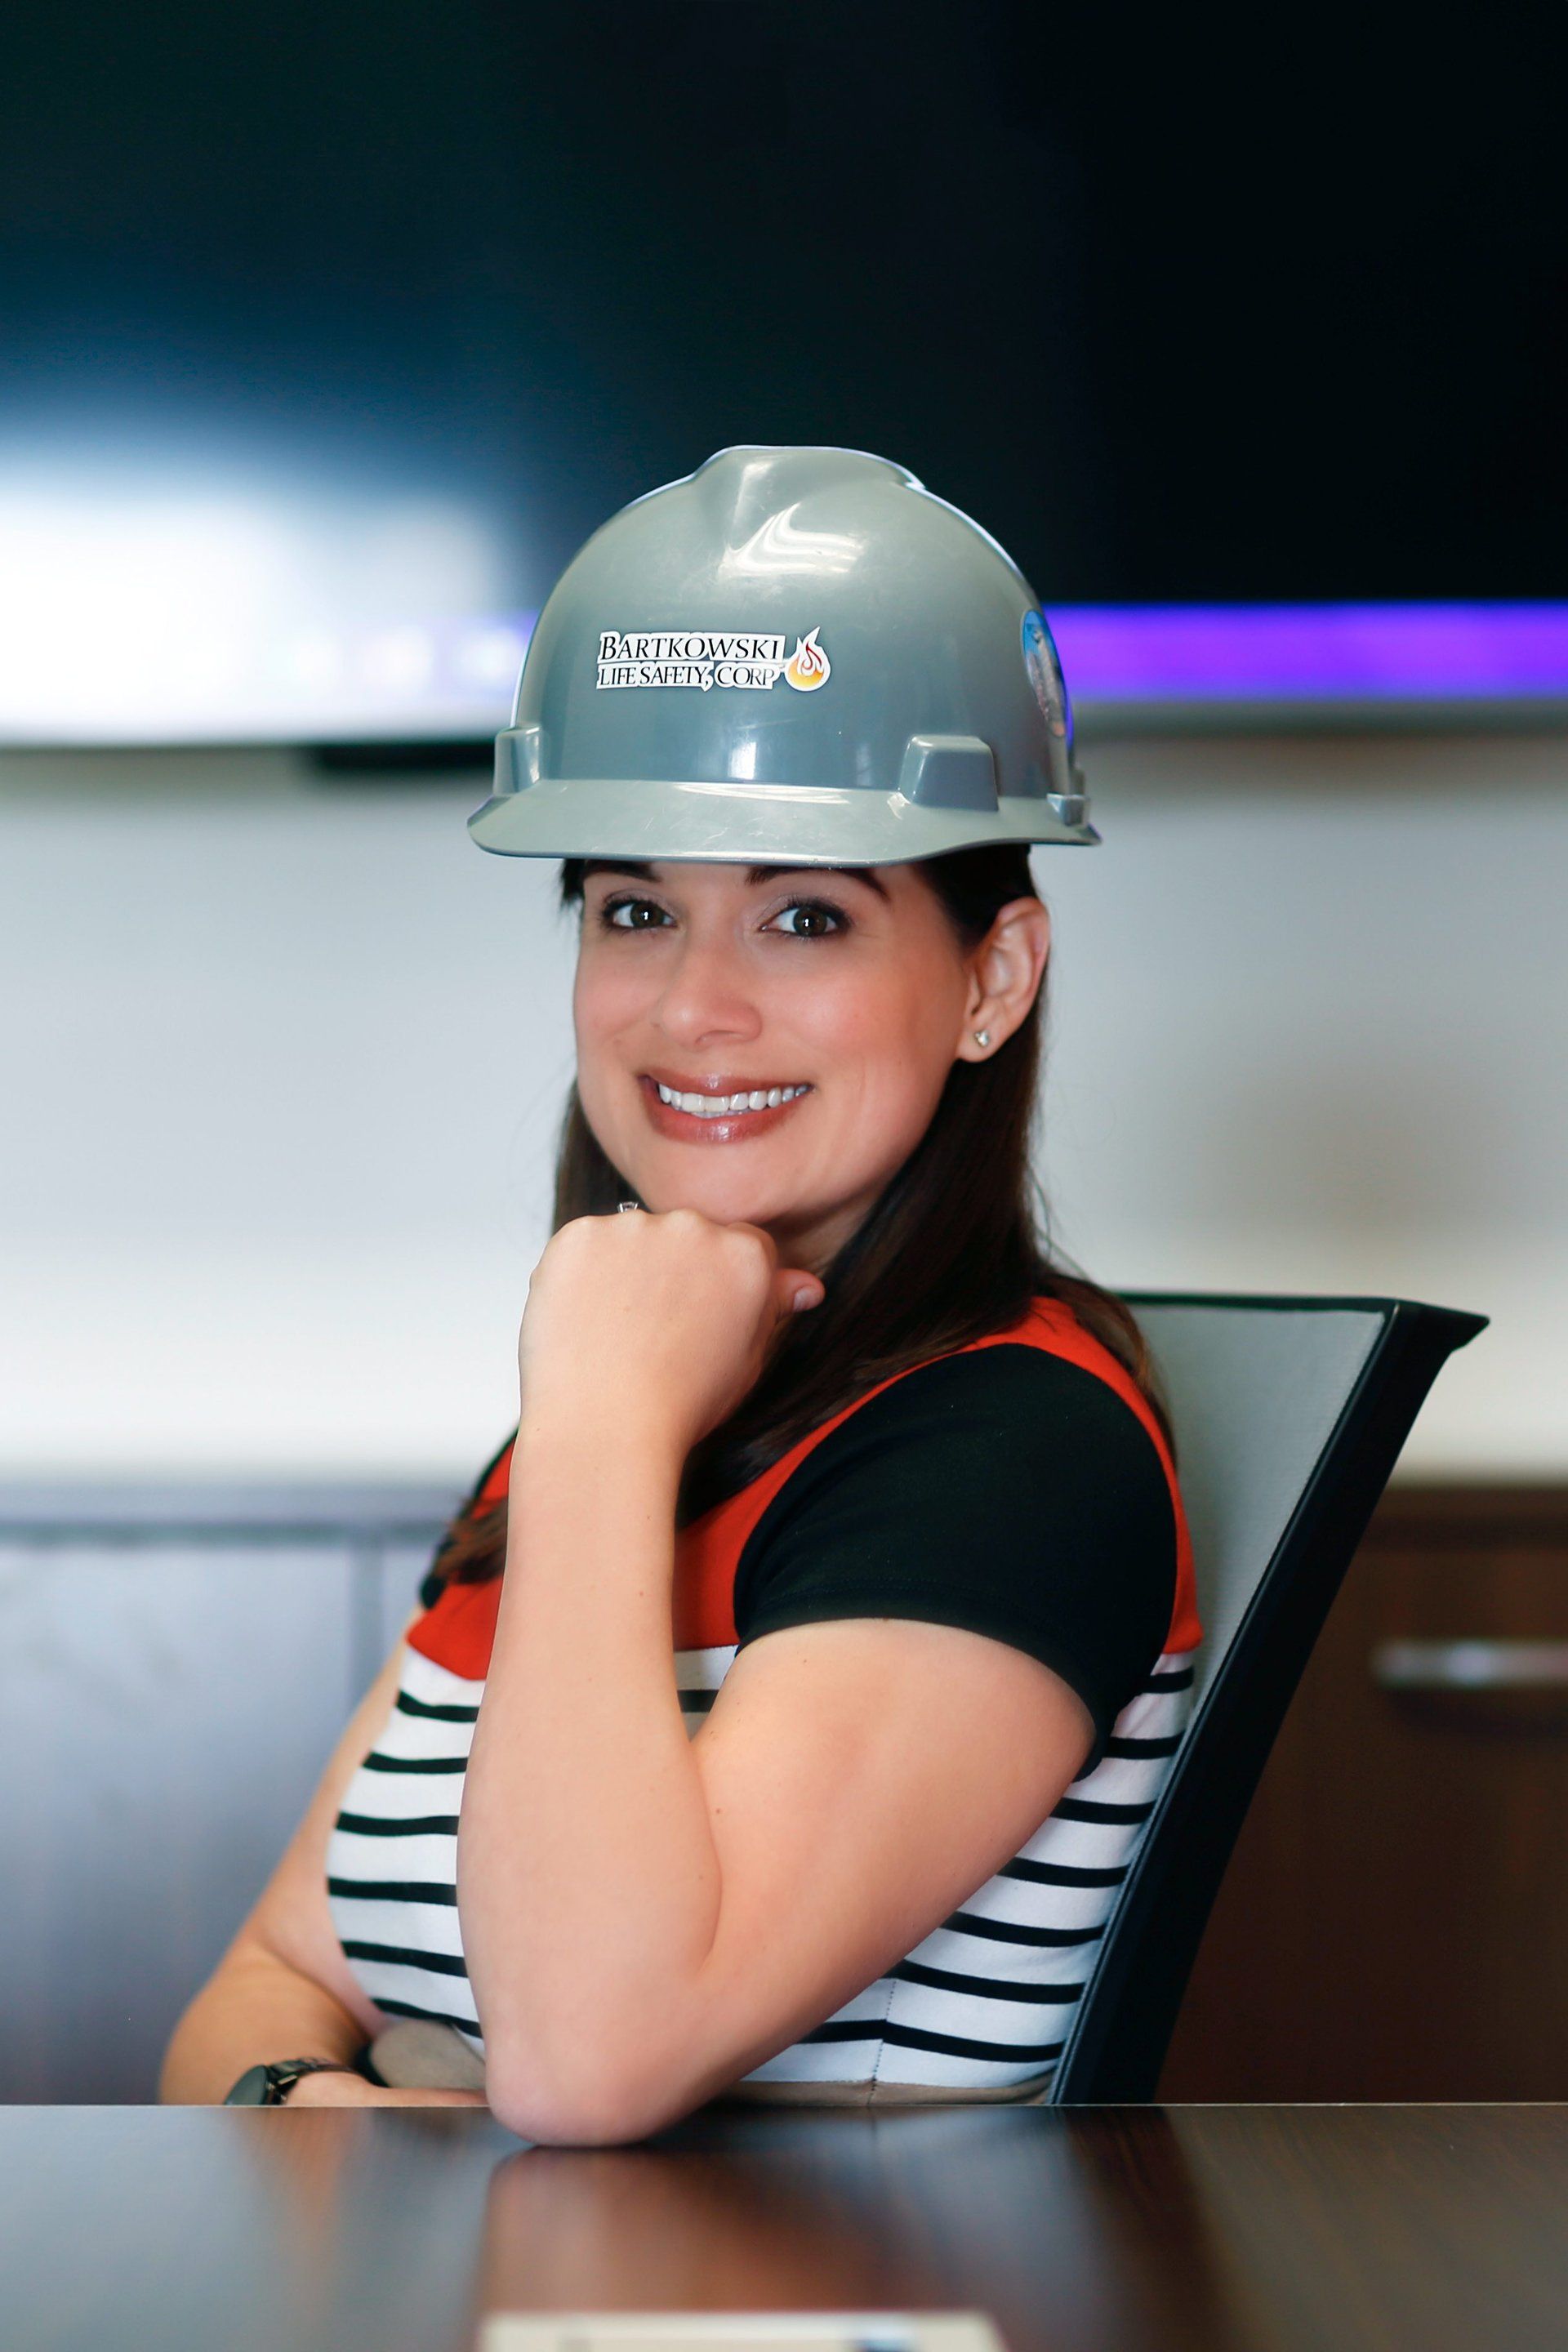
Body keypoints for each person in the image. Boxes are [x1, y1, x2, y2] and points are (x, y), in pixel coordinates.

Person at [160, 447, 1200, 2142]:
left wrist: (601, 1416)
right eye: (635, 907)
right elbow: (262, 1986)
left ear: (991, 978)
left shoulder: (1010, 1453)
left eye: (804, 918)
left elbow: (589, 2060)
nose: (693, 1009)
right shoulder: (614, 1432)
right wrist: (331, 2101)